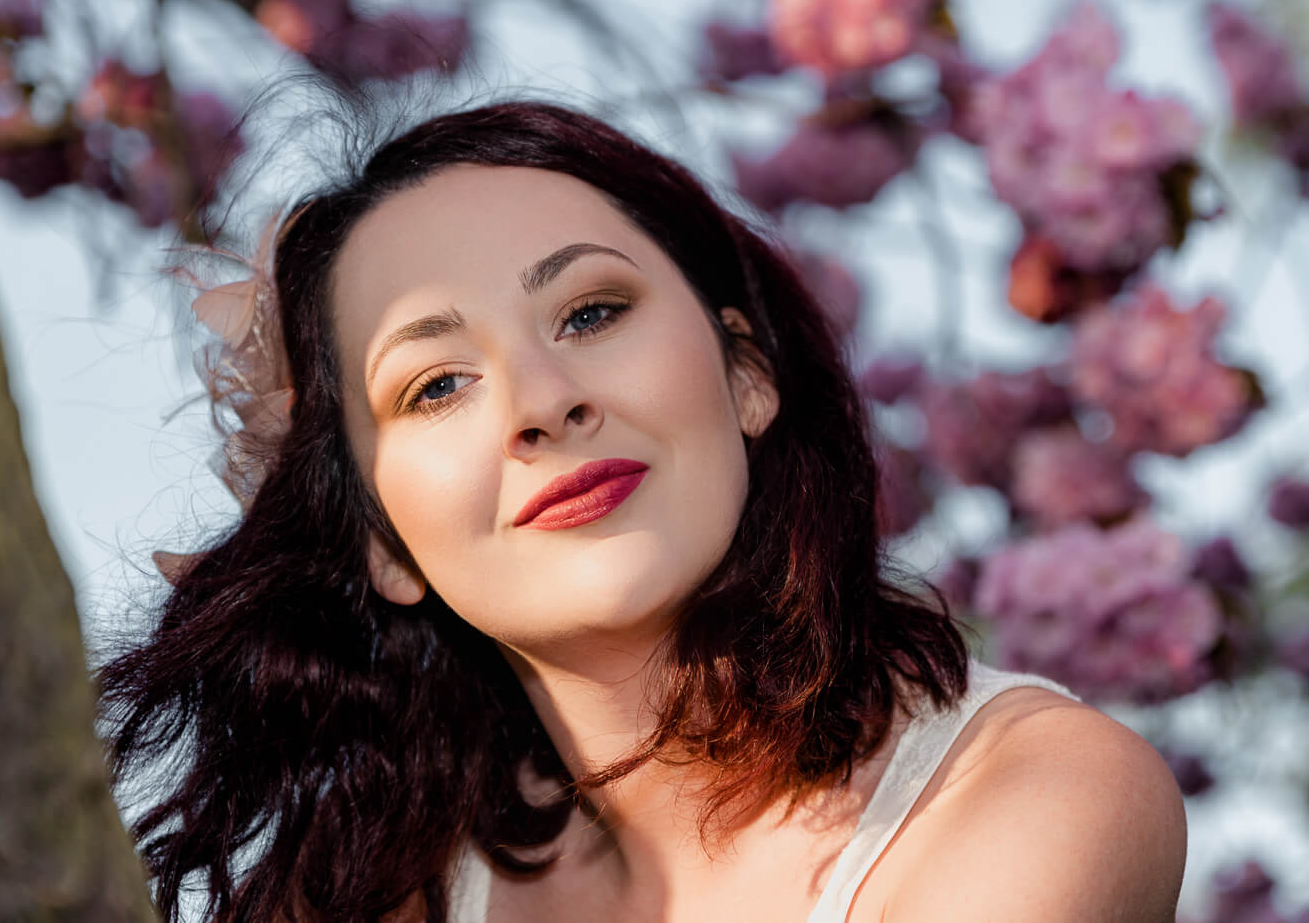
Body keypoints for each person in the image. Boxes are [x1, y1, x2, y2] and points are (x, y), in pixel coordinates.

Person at [98, 99, 1186, 922]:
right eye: (435, 384)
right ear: (380, 540)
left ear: (747, 373)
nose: (542, 401)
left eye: (591, 312)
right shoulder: (374, 889)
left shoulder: (1038, 793)